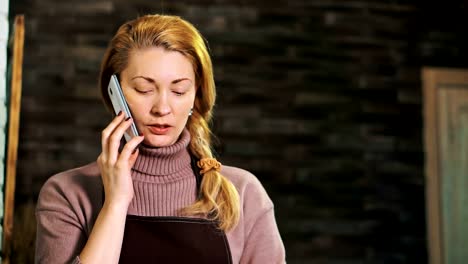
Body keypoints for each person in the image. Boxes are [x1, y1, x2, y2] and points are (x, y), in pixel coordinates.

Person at [35, 14, 286, 263]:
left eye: (179, 90)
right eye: (144, 89)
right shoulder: (67, 194)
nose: (162, 108)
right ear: (114, 92)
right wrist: (116, 203)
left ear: (196, 96)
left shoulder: (243, 194)